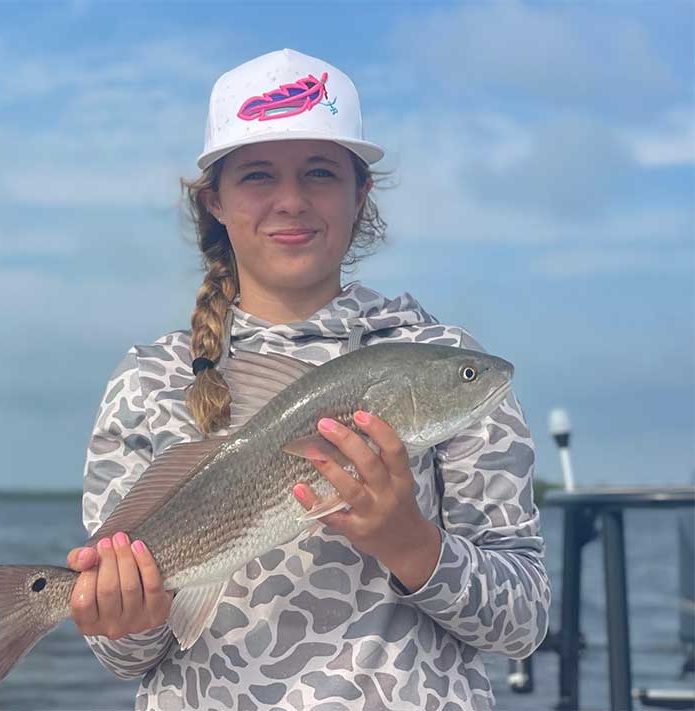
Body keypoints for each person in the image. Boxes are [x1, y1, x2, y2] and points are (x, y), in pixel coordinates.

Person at [66, 48, 550, 711]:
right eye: (258, 175)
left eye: (320, 173)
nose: (290, 201)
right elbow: (124, 654)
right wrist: (126, 612)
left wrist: (412, 542)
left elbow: (523, 620)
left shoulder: (442, 360)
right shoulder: (150, 381)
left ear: (361, 193)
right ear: (215, 201)